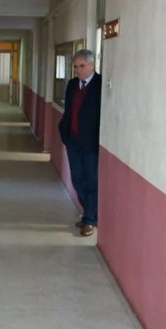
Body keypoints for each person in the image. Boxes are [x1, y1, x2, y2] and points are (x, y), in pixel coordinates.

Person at [58, 49, 101, 237]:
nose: (78, 70)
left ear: (92, 65)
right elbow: (69, 111)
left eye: (81, 66)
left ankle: (89, 220)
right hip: (73, 141)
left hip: (91, 143)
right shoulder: (72, 85)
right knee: (77, 180)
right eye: (75, 67)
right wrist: (64, 133)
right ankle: (90, 214)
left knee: (91, 181)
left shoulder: (100, 85)